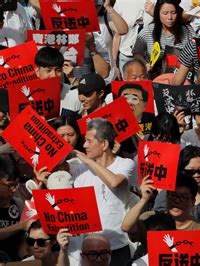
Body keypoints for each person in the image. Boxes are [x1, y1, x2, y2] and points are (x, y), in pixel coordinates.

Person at [69, 118, 135, 265]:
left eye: (89, 141)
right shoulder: (77, 167)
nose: (84, 145)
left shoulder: (125, 164)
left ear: (104, 144)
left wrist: (88, 161)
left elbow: (115, 182)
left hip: (117, 246)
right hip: (87, 249)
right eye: (84, 140)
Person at [153, 145, 200, 265]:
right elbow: (157, 232)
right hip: (174, 259)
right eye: (190, 172)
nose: (196, 175)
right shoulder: (166, 195)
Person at [132, 0, 194, 72]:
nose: (170, 17)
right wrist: (145, 64)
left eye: (173, 13)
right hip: (155, 78)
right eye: (165, 13)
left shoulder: (187, 31)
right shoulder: (148, 31)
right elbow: (137, 53)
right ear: (157, 13)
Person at [34, 46, 82, 117]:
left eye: (58, 70)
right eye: (48, 70)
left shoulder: (75, 95)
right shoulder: (28, 97)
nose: (54, 75)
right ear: (37, 71)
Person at [0, 157, 30, 262]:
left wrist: (26, 258)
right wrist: (20, 226)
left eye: (16, 184)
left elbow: (21, 240)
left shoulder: (18, 204)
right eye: (10, 185)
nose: (14, 189)